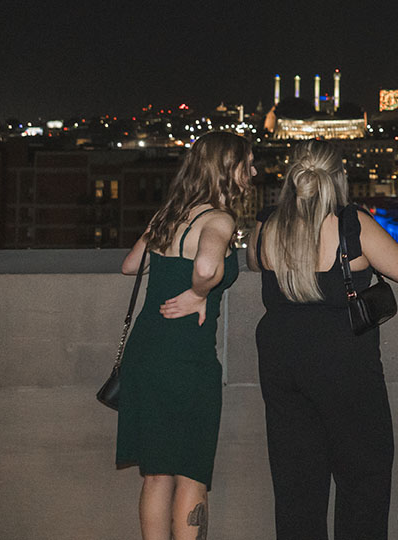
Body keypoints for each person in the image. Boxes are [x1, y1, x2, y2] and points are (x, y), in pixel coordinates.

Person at [250, 140, 398, 540]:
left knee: (296, 484)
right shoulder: (350, 224)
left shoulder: (267, 223)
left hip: (281, 362)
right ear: (338, 178)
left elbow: (254, 260)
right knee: (363, 477)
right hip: (344, 364)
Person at [115, 131, 253, 540]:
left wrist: (189, 283)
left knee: (156, 475)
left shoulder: (169, 214)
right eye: (248, 163)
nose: (254, 171)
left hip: (146, 352)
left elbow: (129, 265)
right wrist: (198, 292)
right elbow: (208, 266)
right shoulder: (219, 218)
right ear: (228, 169)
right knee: (191, 473)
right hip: (186, 359)